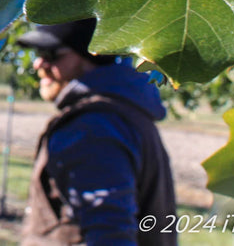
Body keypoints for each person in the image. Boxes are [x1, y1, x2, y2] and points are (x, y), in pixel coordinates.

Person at [17, 18, 177, 245]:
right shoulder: (123, 112)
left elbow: (110, 234)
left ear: (90, 56)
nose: (39, 64)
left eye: (51, 54)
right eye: (38, 53)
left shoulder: (93, 127)